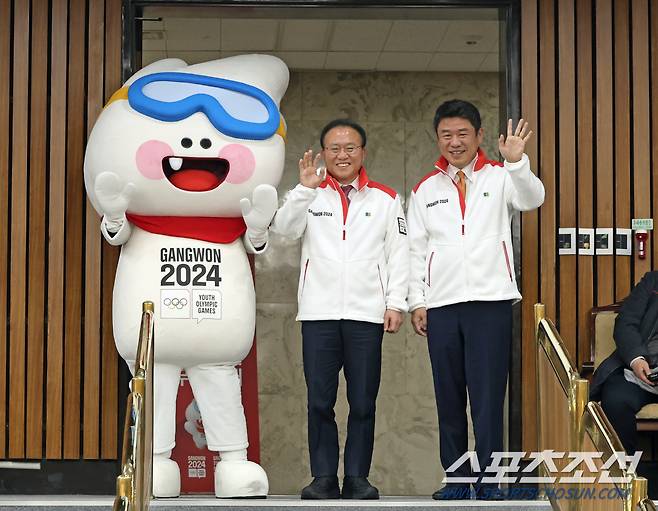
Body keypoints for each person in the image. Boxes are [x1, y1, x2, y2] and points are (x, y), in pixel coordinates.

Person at [406, 99, 544, 500]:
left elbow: (532, 198)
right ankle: (457, 479)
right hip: (443, 304)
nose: (455, 142)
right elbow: (416, 249)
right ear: (437, 138)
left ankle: (489, 481)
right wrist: (418, 301)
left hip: (490, 302)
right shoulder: (424, 190)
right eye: (446, 135)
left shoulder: (501, 177)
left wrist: (517, 162)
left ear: (480, 136)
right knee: (448, 397)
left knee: (487, 398)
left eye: (462, 134)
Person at [271, 119, 409, 500]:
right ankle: (324, 478)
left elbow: (398, 254)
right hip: (318, 315)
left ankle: (358, 478)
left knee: (363, 401)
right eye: (334, 148)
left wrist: (396, 302)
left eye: (350, 148)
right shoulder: (310, 194)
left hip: (366, 316)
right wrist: (302, 190)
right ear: (323, 153)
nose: (342, 155)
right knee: (320, 400)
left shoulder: (384, 198)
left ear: (363, 152)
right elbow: (282, 231)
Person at [591, 271, 658, 455]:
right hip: (639, 372)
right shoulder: (652, 281)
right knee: (615, 399)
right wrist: (636, 359)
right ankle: (623, 475)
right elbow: (626, 321)